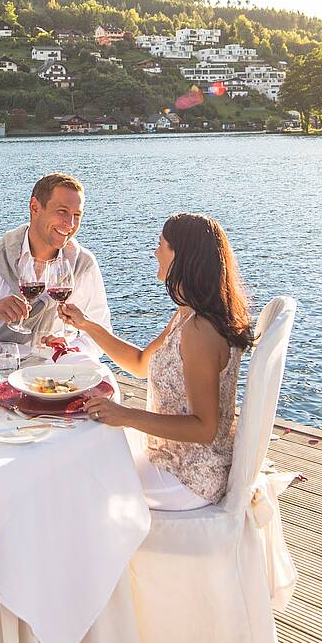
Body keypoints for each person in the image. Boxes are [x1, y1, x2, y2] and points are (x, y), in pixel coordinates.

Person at [58, 213, 254, 511]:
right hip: (168, 454)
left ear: (181, 255)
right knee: (85, 454)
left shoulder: (200, 330)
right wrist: (86, 325)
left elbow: (205, 428)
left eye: (161, 244)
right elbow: (140, 363)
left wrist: (126, 415)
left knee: (80, 479)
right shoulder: (186, 315)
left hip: (189, 477)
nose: (155, 252)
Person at [0, 172, 111, 356]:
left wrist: (70, 348)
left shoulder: (82, 264)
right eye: (62, 211)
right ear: (35, 207)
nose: (70, 224)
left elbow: (100, 334)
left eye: (77, 215)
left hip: (56, 366)